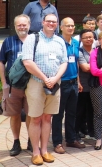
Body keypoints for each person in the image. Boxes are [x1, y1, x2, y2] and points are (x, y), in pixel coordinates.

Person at [22, 13, 67, 165]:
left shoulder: (60, 41)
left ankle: (44, 150)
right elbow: (27, 62)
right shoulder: (31, 39)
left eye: (54, 22)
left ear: (57, 24)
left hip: (54, 84)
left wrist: (54, 79)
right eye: (48, 21)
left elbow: (64, 62)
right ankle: (35, 152)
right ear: (42, 22)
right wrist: (44, 78)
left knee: (48, 118)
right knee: (36, 118)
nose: (51, 24)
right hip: (36, 82)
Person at [0, 14, 33, 156]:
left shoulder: (35, 41)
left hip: (32, 85)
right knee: (15, 114)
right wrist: (4, 83)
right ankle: (16, 141)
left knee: (32, 114)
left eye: (24, 24)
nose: (22, 27)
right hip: (14, 86)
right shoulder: (8, 42)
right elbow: (1, 62)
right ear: (15, 26)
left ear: (29, 25)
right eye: (19, 25)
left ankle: (31, 140)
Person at [52, 18, 85, 154]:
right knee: (58, 115)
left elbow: (76, 62)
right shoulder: (57, 43)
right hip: (61, 83)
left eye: (72, 26)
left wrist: (78, 81)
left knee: (72, 113)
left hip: (73, 83)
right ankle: (57, 142)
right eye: (68, 26)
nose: (71, 28)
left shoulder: (76, 43)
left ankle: (71, 139)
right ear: (61, 27)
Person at [76, 30, 95, 142]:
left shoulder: (97, 51)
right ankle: (76, 132)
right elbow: (85, 68)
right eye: (85, 37)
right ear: (81, 40)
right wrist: (100, 67)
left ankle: (90, 131)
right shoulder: (79, 52)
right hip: (82, 85)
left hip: (95, 85)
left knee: (91, 110)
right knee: (80, 110)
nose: (88, 39)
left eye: (90, 37)